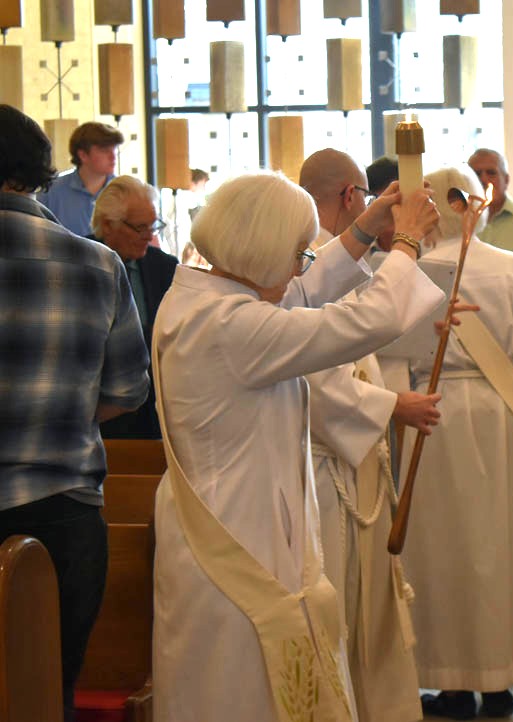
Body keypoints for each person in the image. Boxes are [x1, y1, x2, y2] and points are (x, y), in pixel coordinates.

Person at [151, 171, 443, 722]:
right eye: (296, 254)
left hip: (234, 514)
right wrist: (404, 242)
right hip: (239, 531)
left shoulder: (202, 295)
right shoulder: (229, 325)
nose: (298, 267)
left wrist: (364, 228)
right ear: (263, 252)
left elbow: (299, 292)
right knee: (242, 687)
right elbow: (363, 321)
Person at [398, 166, 513, 721]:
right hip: (508, 413)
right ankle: (501, 682)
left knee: (446, 547)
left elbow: (391, 355)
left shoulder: (412, 272)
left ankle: (454, 685)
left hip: (437, 412)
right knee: (505, 543)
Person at [0, 105, 149, 722]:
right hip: (63, 504)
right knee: (49, 689)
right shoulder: (97, 262)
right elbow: (129, 389)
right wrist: (62, 411)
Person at [298, 148, 440, 722]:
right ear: (351, 196)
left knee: (369, 608)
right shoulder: (302, 267)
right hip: (324, 471)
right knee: (342, 611)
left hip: (355, 462)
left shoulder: (326, 261)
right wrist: (389, 405)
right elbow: (312, 373)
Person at [91, 175, 178, 439]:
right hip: (98, 414)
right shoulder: (80, 263)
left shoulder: (165, 268)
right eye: (140, 228)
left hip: (154, 415)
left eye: (153, 226)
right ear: (108, 224)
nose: (149, 236)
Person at [36, 121, 123, 237]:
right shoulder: (51, 192)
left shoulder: (124, 191)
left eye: (115, 149)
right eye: (105, 150)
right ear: (83, 155)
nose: (113, 156)